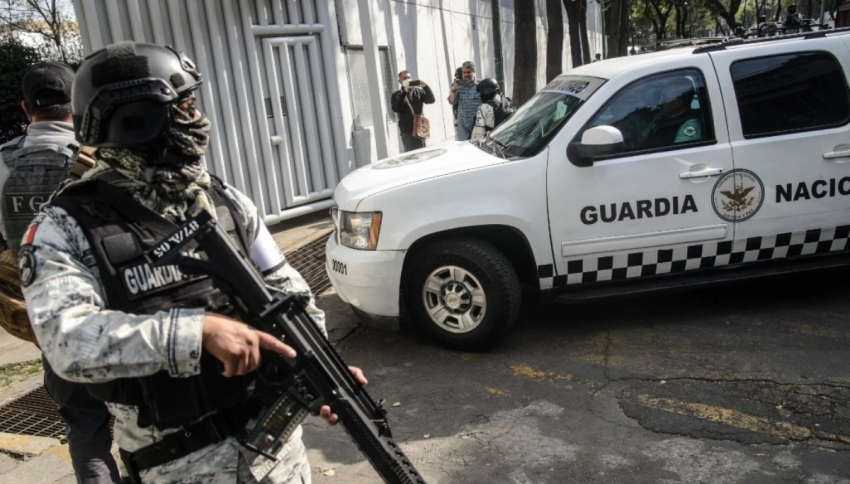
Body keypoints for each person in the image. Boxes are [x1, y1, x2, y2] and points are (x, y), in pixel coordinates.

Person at [19, 41, 366, 484]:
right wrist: (197, 332)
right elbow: (68, 343)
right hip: (178, 469)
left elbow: (294, 297)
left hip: (280, 462)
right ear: (137, 119)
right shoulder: (65, 227)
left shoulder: (223, 201)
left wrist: (313, 369)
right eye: (185, 106)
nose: (198, 119)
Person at [0, 61, 121, 484]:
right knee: (145, 426)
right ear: (76, 103)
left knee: (85, 431)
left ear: (24, 108)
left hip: (52, 324)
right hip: (116, 314)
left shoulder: (3, 163)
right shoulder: (103, 157)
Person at [613, 76, 702, 151]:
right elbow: (641, 142)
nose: (659, 102)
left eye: (664, 98)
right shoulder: (659, 116)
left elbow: (680, 155)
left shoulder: (690, 124)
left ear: (678, 103)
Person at [390, 70, 435, 152]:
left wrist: (425, 86)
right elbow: (396, 108)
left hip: (419, 128)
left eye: (409, 78)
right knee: (411, 154)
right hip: (407, 130)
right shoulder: (396, 95)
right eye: (404, 78)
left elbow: (431, 100)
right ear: (399, 81)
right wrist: (404, 92)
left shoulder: (418, 91)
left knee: (422, 152)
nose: (407, 80)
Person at [447, 60, 481, 141]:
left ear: (473, 72)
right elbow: (451, 101)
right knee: (463, 146)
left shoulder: (480, 85)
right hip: (463, 124)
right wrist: (454, 90)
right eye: (464, 72)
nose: (466, 75)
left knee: (478, 146)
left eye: (468, 72)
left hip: (478, 123)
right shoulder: (458, 85)